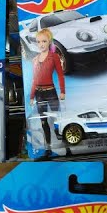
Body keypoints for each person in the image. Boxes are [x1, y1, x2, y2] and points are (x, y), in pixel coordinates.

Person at [28, 28, 65, 159]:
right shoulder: (35, 60)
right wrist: (31, 96)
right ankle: (48, 148)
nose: (41, 44)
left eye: (44, 41)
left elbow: (60, 75)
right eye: (38, 42)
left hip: (51, 92)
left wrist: (62, 91)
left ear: (49, 41)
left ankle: (66, 145)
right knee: (44, 122)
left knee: (57, 120)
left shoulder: (54, 57)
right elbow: (34, 79)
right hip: (39, 94)